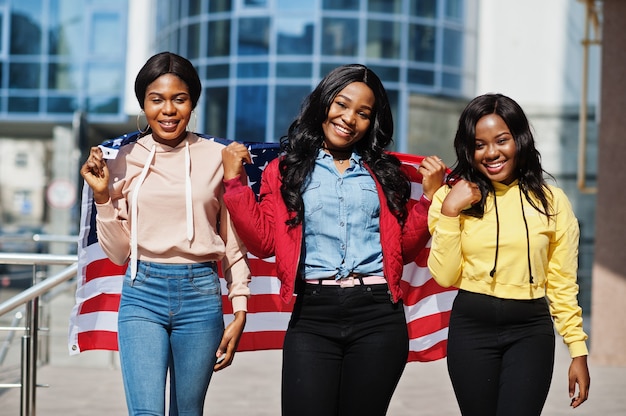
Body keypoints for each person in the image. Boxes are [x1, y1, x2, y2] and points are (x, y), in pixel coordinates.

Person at [220, 64, 446, 416]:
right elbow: (264, 243)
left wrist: (431, 200)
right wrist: (234, 184)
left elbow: (402, 250)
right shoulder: (285, 169)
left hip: (379, 316)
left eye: (363, 113)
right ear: (323, 103)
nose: (349, 118)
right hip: (312, 315)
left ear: (373, 123)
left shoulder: (385, 173)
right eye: (341, 104)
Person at [79, 51, 251, 415]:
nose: (168, 110)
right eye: (157, 100)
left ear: (193, 104)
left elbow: (233, 245)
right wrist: (102, 196)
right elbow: (117, 253)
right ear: (143, 103)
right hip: (142, 292)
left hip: (201, 294)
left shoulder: (219, 156)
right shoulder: (122, 158)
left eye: (180, 99)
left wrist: (240, 308)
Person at [427, 93, 590, 415]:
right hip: (470, 328)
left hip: (530, 331)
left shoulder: (552, 201)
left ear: (520, 139)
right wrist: (447, 210)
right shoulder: (451, 198)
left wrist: (578, 350)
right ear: (468, 149)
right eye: (479, 144)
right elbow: (444, 275)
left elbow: (562, 283)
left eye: (501, 140)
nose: (491, 153)